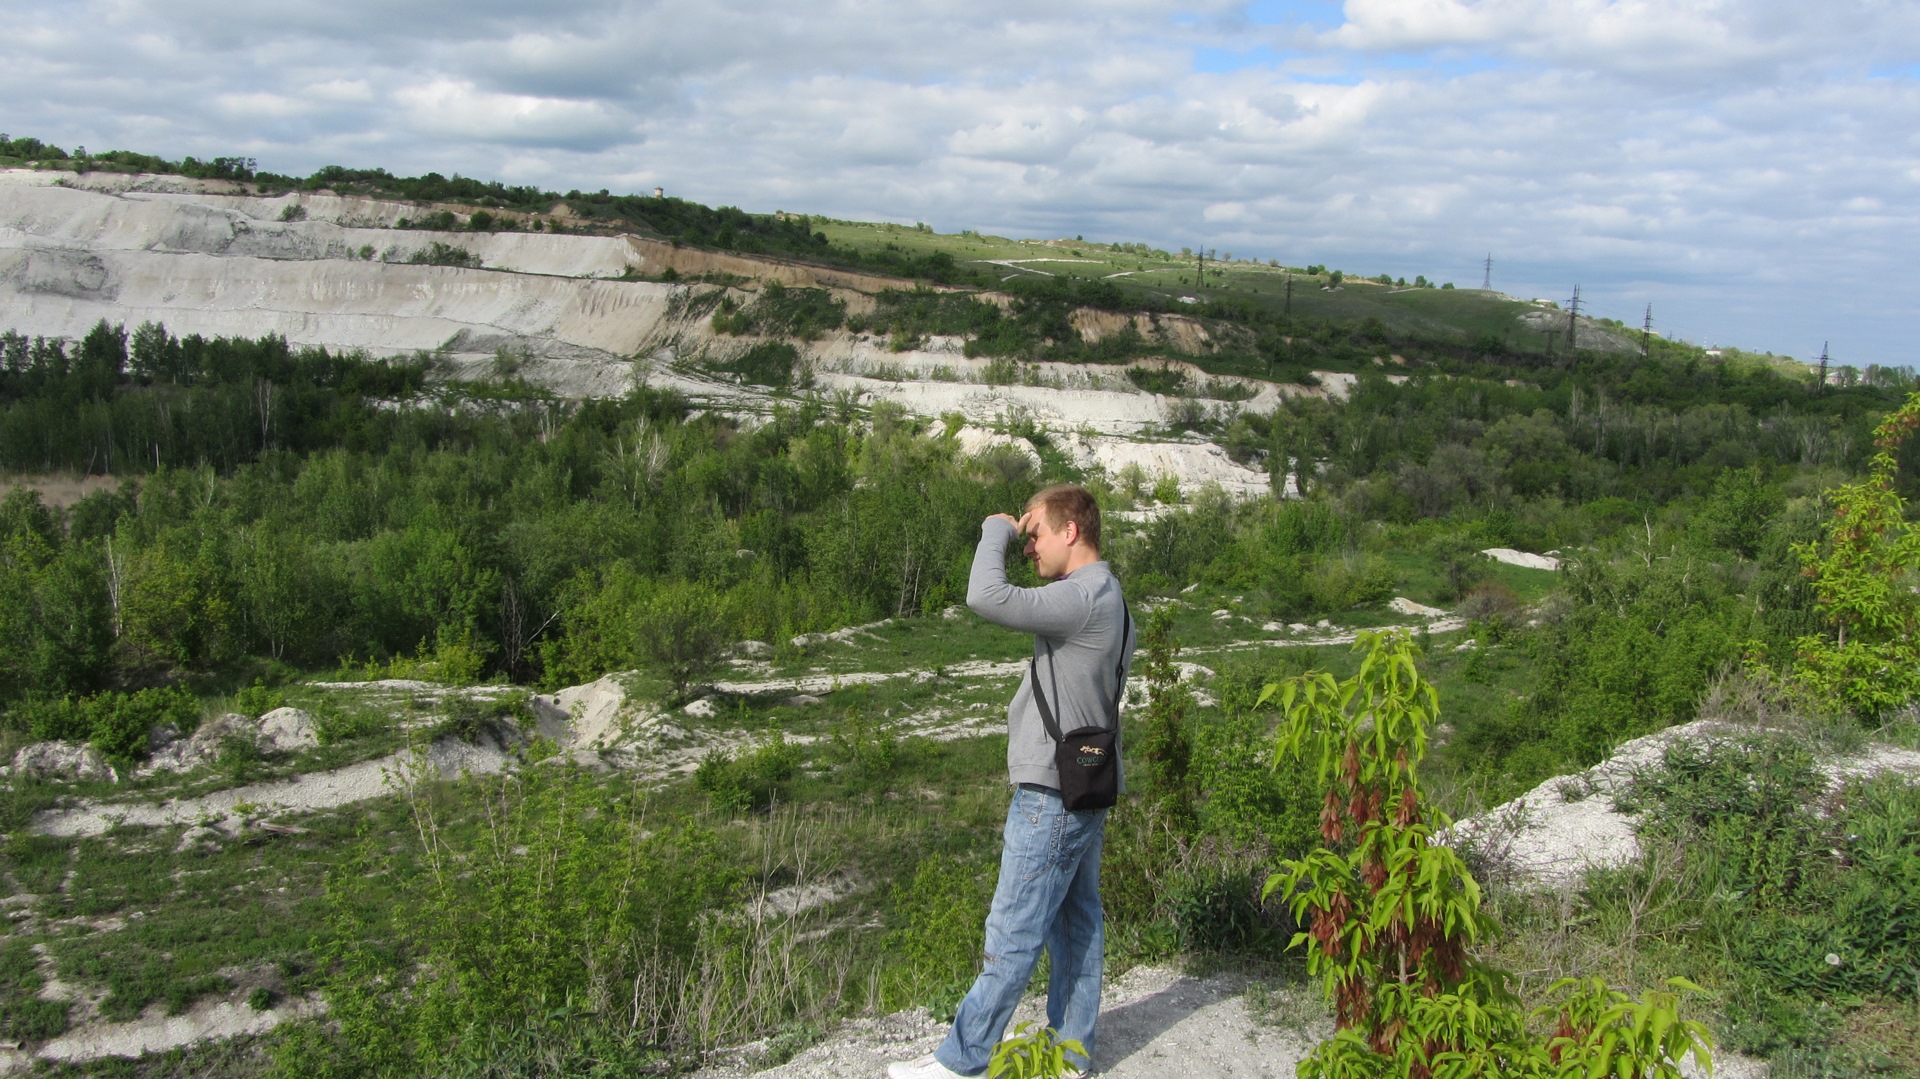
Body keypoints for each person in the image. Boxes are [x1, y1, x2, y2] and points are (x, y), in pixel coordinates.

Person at [888, 484, 1134, 1079]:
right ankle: (1070, 1055)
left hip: (1051, 793)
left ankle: (959, 1064)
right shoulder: (1111, 595)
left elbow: (984, 595)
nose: (1031, 548)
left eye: (1038, 535)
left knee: (1014, 927)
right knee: (1077, 923)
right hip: (1086, 784)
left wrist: (996, 528)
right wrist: (1025, 529)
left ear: (1070, 532)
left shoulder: (1081, 598)